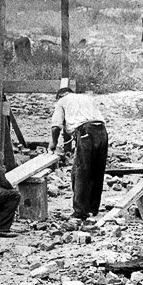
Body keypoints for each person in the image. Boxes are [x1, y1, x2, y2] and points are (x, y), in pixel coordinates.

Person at [49, 79, 109, 219]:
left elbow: (55, 126)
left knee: (81, 171)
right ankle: (93, 208)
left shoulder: (61, 102)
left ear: (60, 96)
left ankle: (80, 211)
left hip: (86, 132)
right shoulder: (86, 98)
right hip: (102, 131)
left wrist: (53, 143)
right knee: (97, 170)